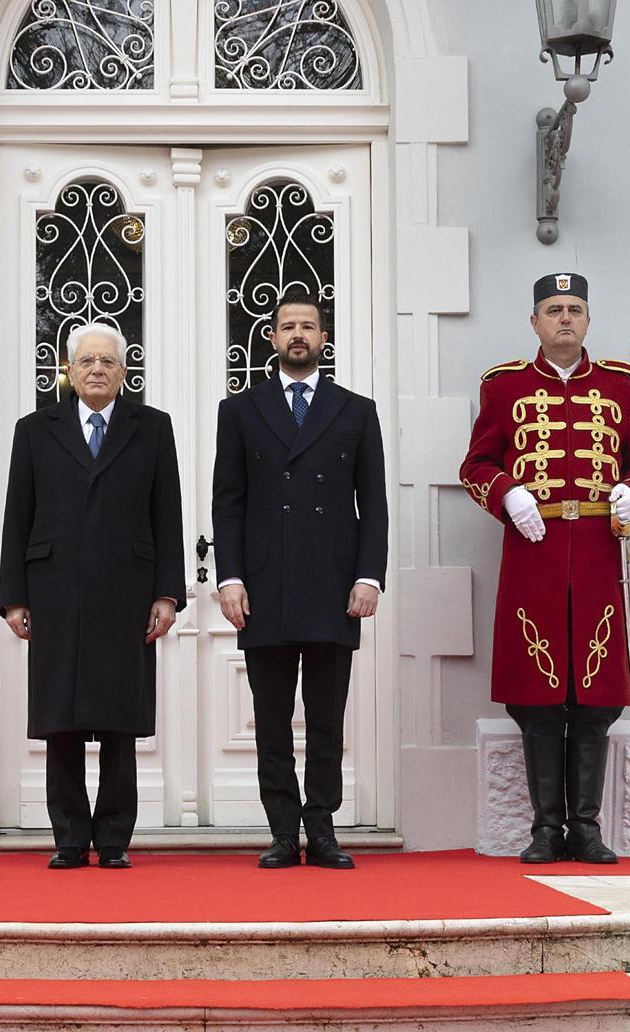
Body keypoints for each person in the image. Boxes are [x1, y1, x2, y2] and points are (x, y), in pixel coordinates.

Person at [458, 273, 630, 864]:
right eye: (554, 310)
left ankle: (587, 827)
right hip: (534, 549)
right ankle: (546, 830)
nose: (565, 319)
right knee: (538, 692)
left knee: (596, 694)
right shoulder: (505, 387)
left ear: (588, 320)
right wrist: (508, 496)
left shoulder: (621, 386)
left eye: (575, 309)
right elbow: (476, 463)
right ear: (535, 323)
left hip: (599, 549)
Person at [0, 324, 185, 870]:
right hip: (53, 591)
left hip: (128, 592)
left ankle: (115, 839)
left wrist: (167, 593)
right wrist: (13, 596)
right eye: (87, 362)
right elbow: (19, 516)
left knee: (120, 721)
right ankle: (69, 838)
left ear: (123, 373)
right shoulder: (35, 430)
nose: (97, 369)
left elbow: (166, 515)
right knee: (62, 721)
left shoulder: (152, 428)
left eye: (107, 362)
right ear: (70, 371)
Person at [211, 292, 388, 870]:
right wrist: (230, 577)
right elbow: (228, 503)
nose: (297, 335)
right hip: (264, 585)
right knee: (271, 721)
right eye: (287, 326)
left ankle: (324, 826)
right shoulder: (239, 410)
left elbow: (374, 502)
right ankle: (283, 832)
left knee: (327, 717)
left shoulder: (356, 410)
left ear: (323, 337)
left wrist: (370, 576)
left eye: (307, 326)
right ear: (272, 337)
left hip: (335, 584)